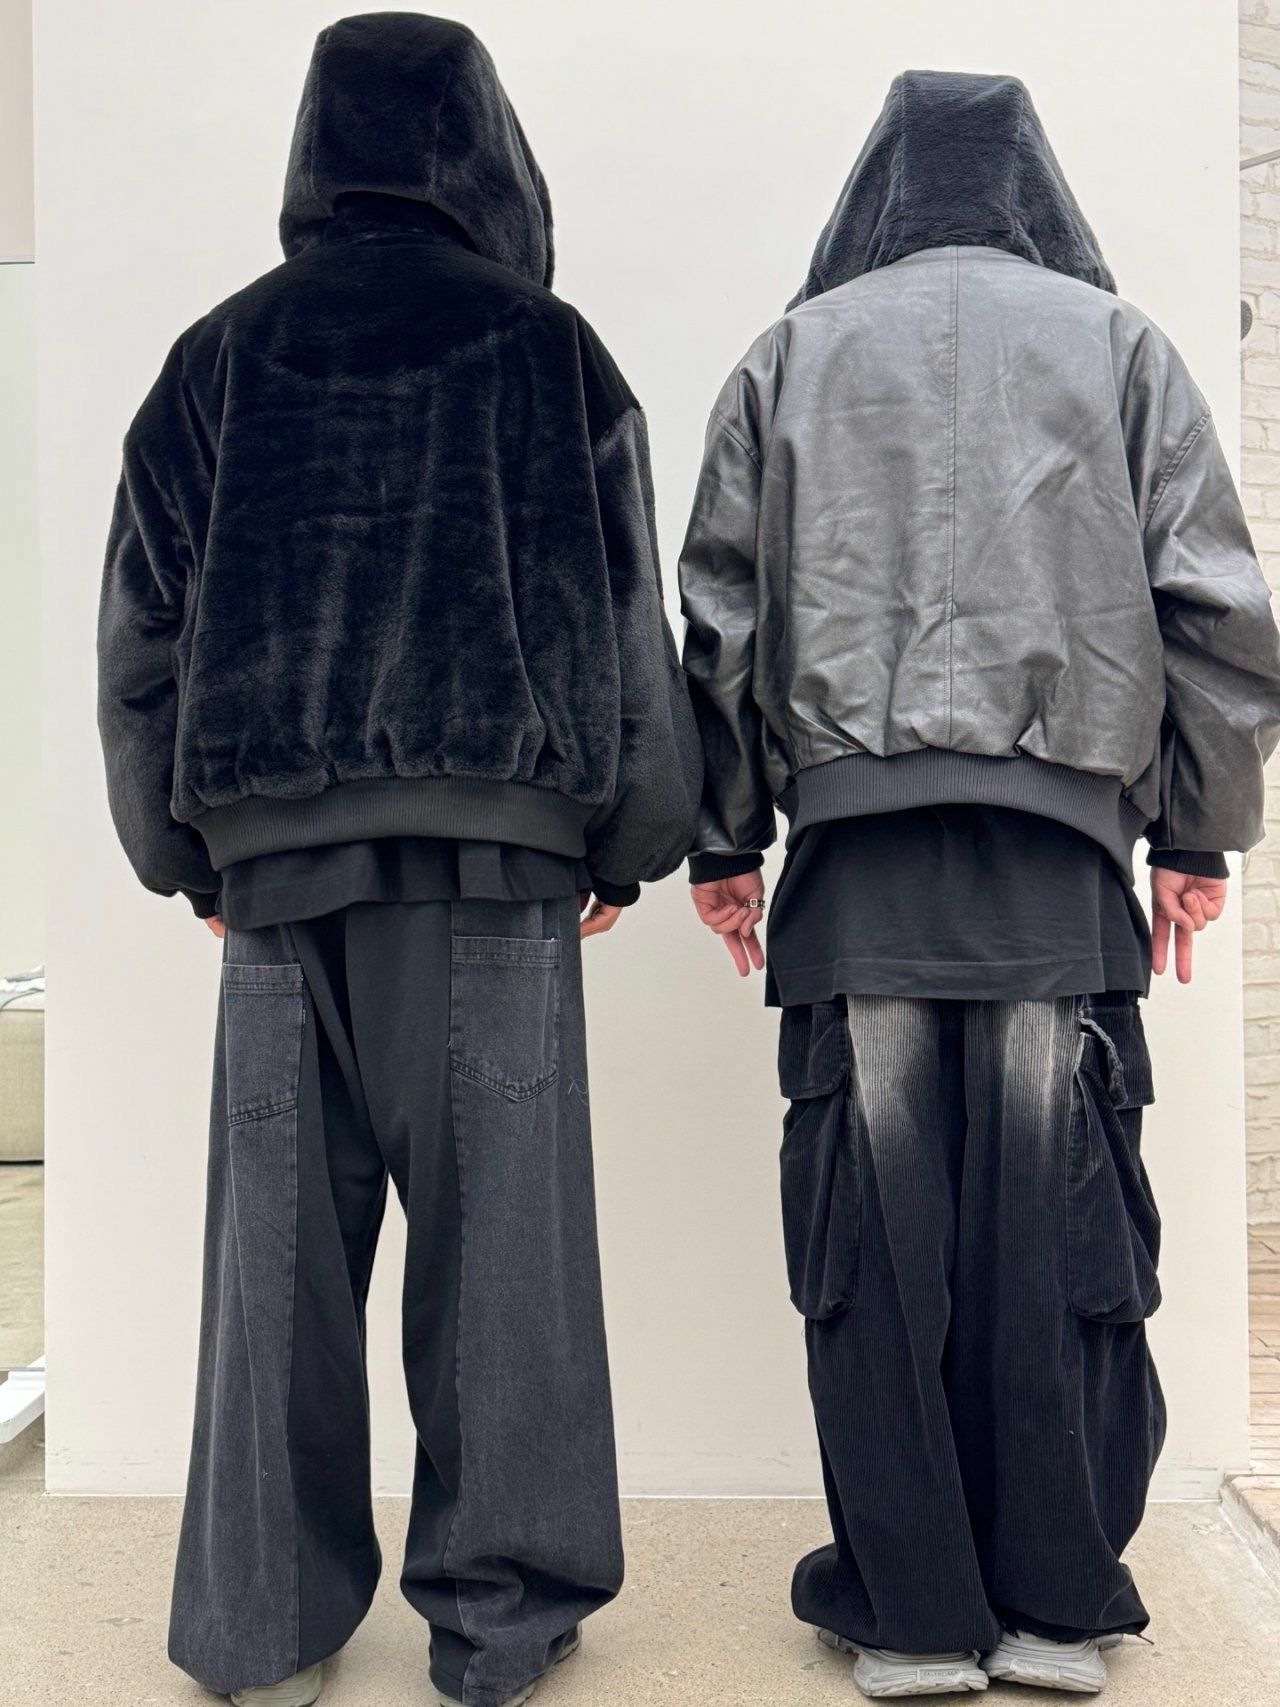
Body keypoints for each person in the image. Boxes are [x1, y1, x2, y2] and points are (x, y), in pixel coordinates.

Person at [97, 15, 700, 1707]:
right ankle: (498, 1626)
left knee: (274, 1262)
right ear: (485, 146)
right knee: (505, 1260)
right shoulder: (546, 350)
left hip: (276, 886)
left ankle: (258, 1632)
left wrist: (180, 852)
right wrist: (633, 837)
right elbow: (621, 615)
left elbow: (142, 629)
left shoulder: (218, 355)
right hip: (497, 874)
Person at [680, 71, 1280, 1700]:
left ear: (876, 193)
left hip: (857, 880)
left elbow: (720, 622)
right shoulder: (1123, 347)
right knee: (1054, 1239)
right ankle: (1058, 1612)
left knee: (876, 1251)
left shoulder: (792, 353)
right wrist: (1195, 836)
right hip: (1055, 877)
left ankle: (909, 1619)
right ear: (1036, 188)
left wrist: (727, 842)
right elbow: (1219, 615)